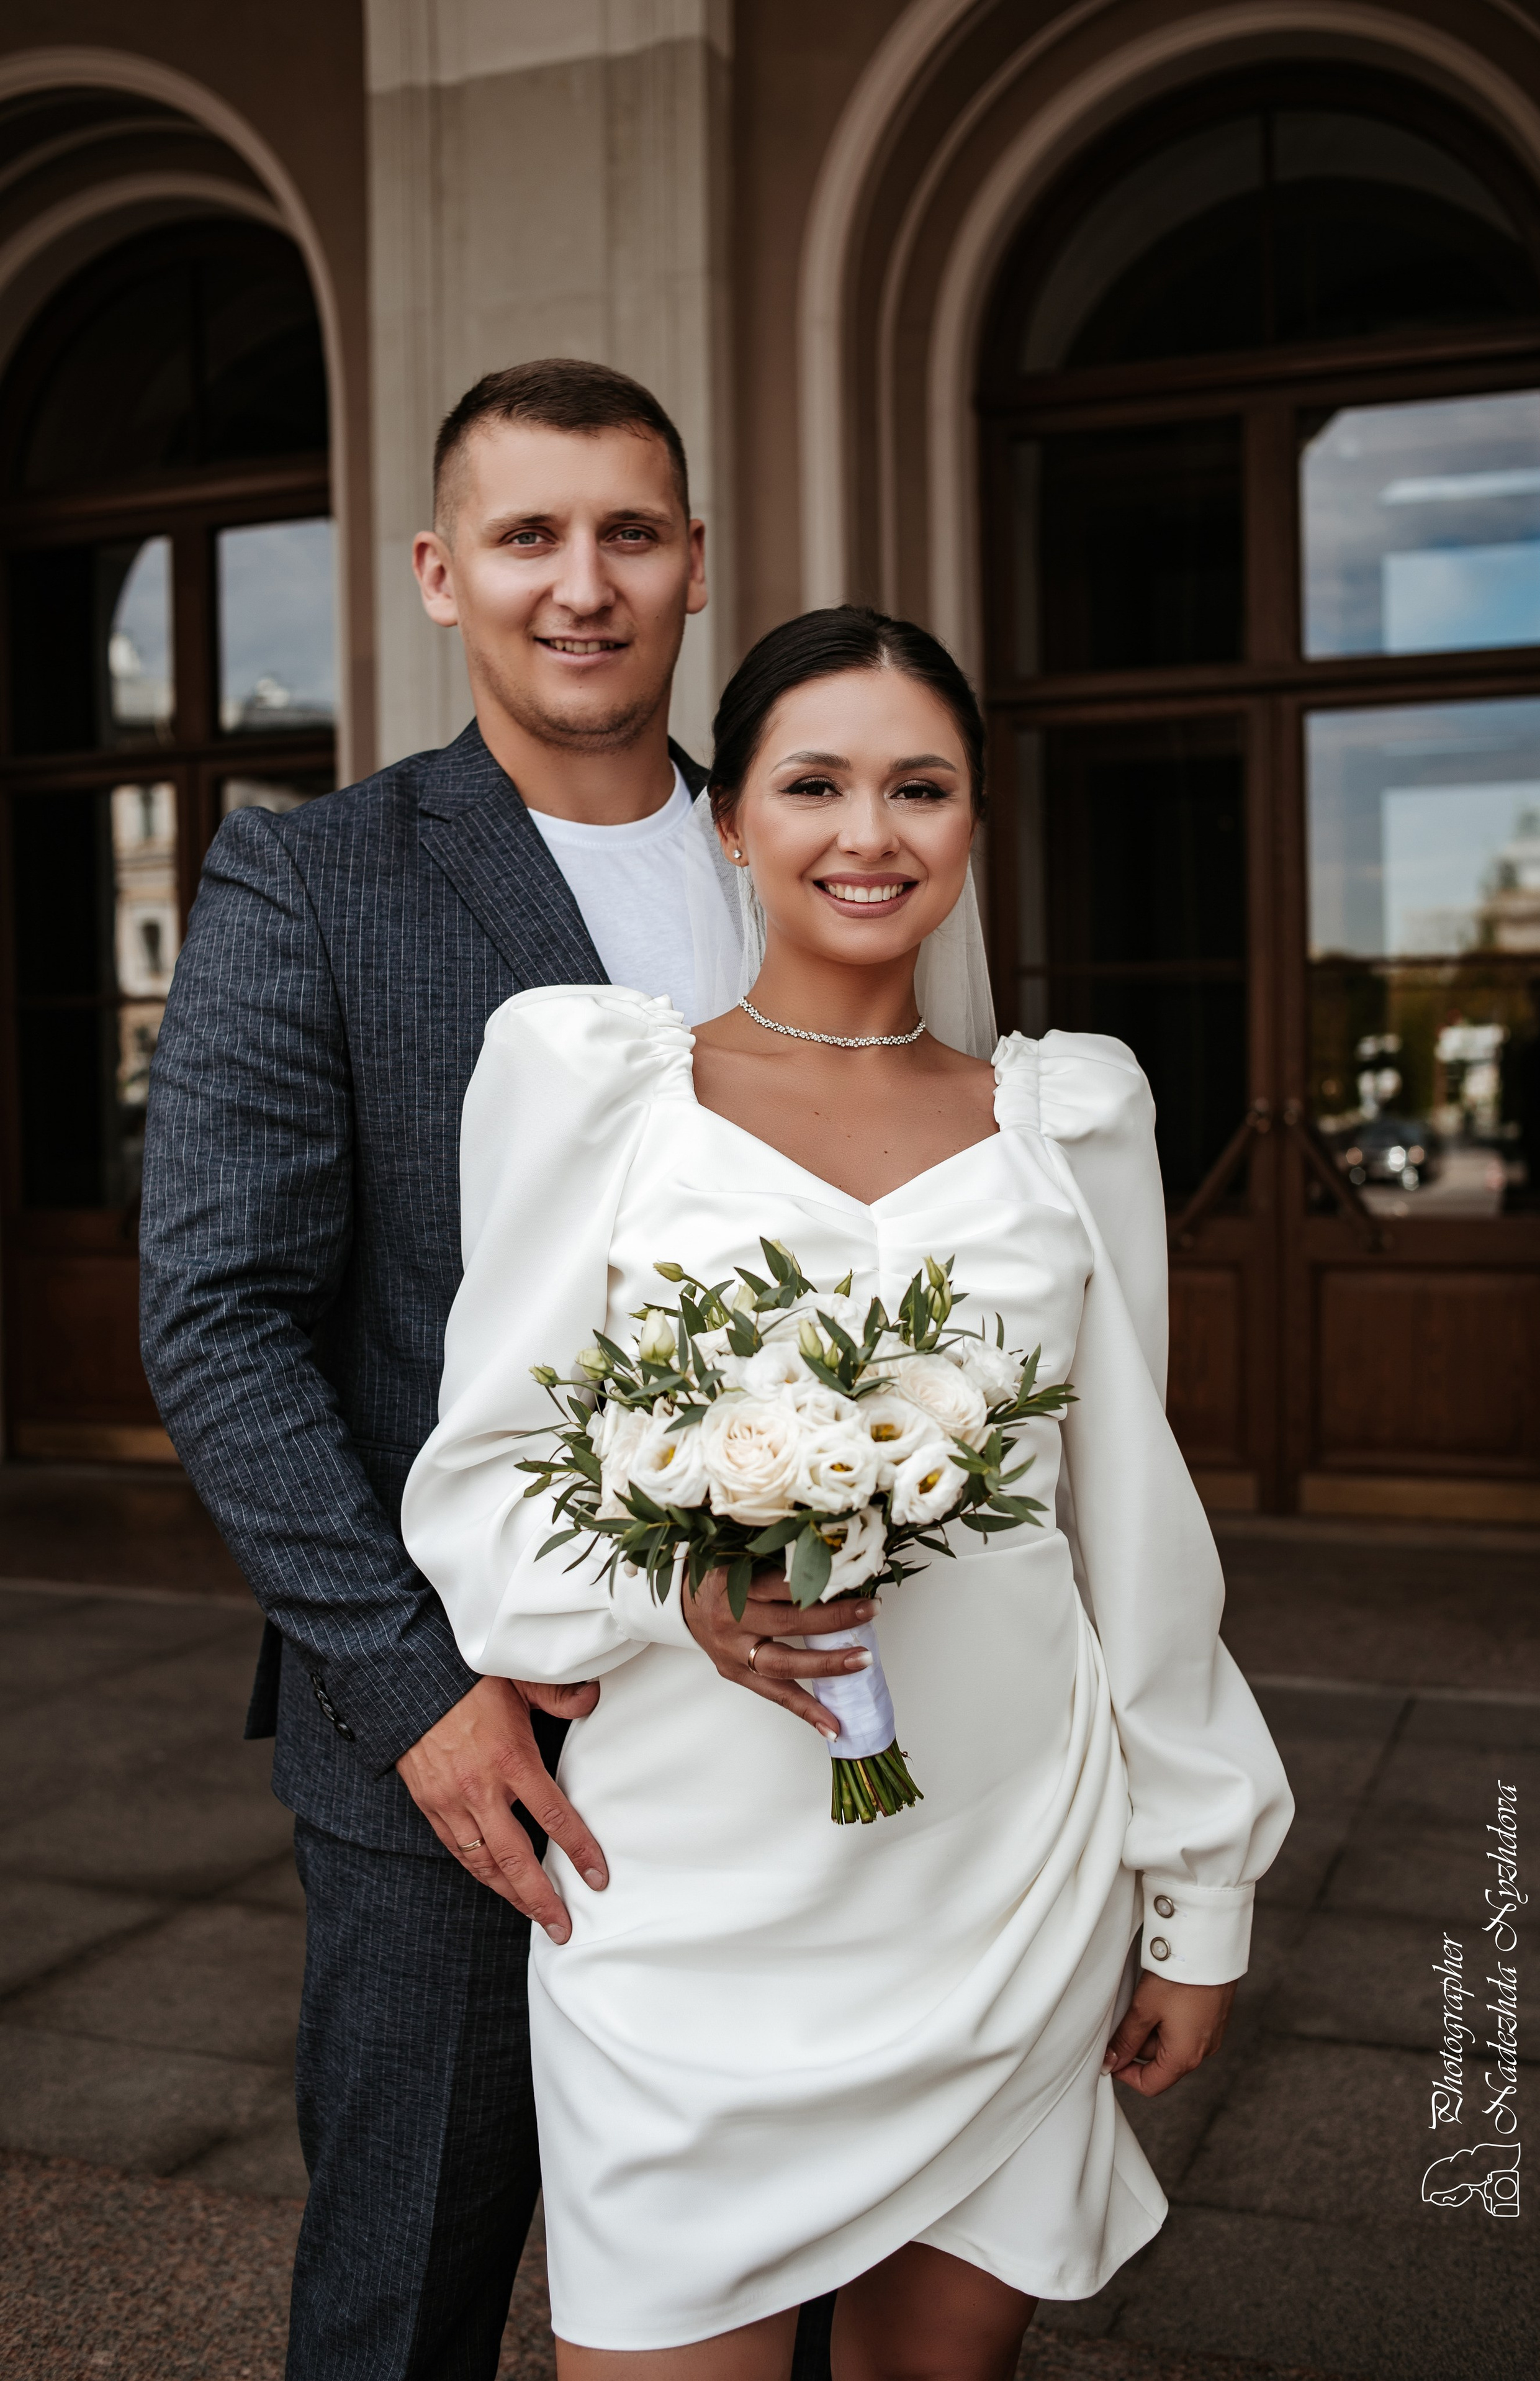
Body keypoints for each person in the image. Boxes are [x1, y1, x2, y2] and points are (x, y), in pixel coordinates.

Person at [402, 606, 1295, 2377]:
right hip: (694, 1904)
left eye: (921, 787)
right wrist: (683, 1587)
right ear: (729, 818)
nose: (867, 832)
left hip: (1003, 1879)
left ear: (977, 822)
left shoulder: (1069, 1122)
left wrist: (1200, 1894)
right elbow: (487, 1487)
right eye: (814, 784)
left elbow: (1134, 1541)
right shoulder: (597, 1092)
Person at [138, 360, 860, 2380]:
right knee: (407, 2288)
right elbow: (217, 1313)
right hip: (467, 1739)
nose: (584, 582)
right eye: (531, 537)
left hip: (779, 1722)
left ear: (698, 566)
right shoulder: (320, 877)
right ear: (445, 573)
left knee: (775, 2263)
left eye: (630, 531)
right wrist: (417, 1696)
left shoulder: (802, 850)